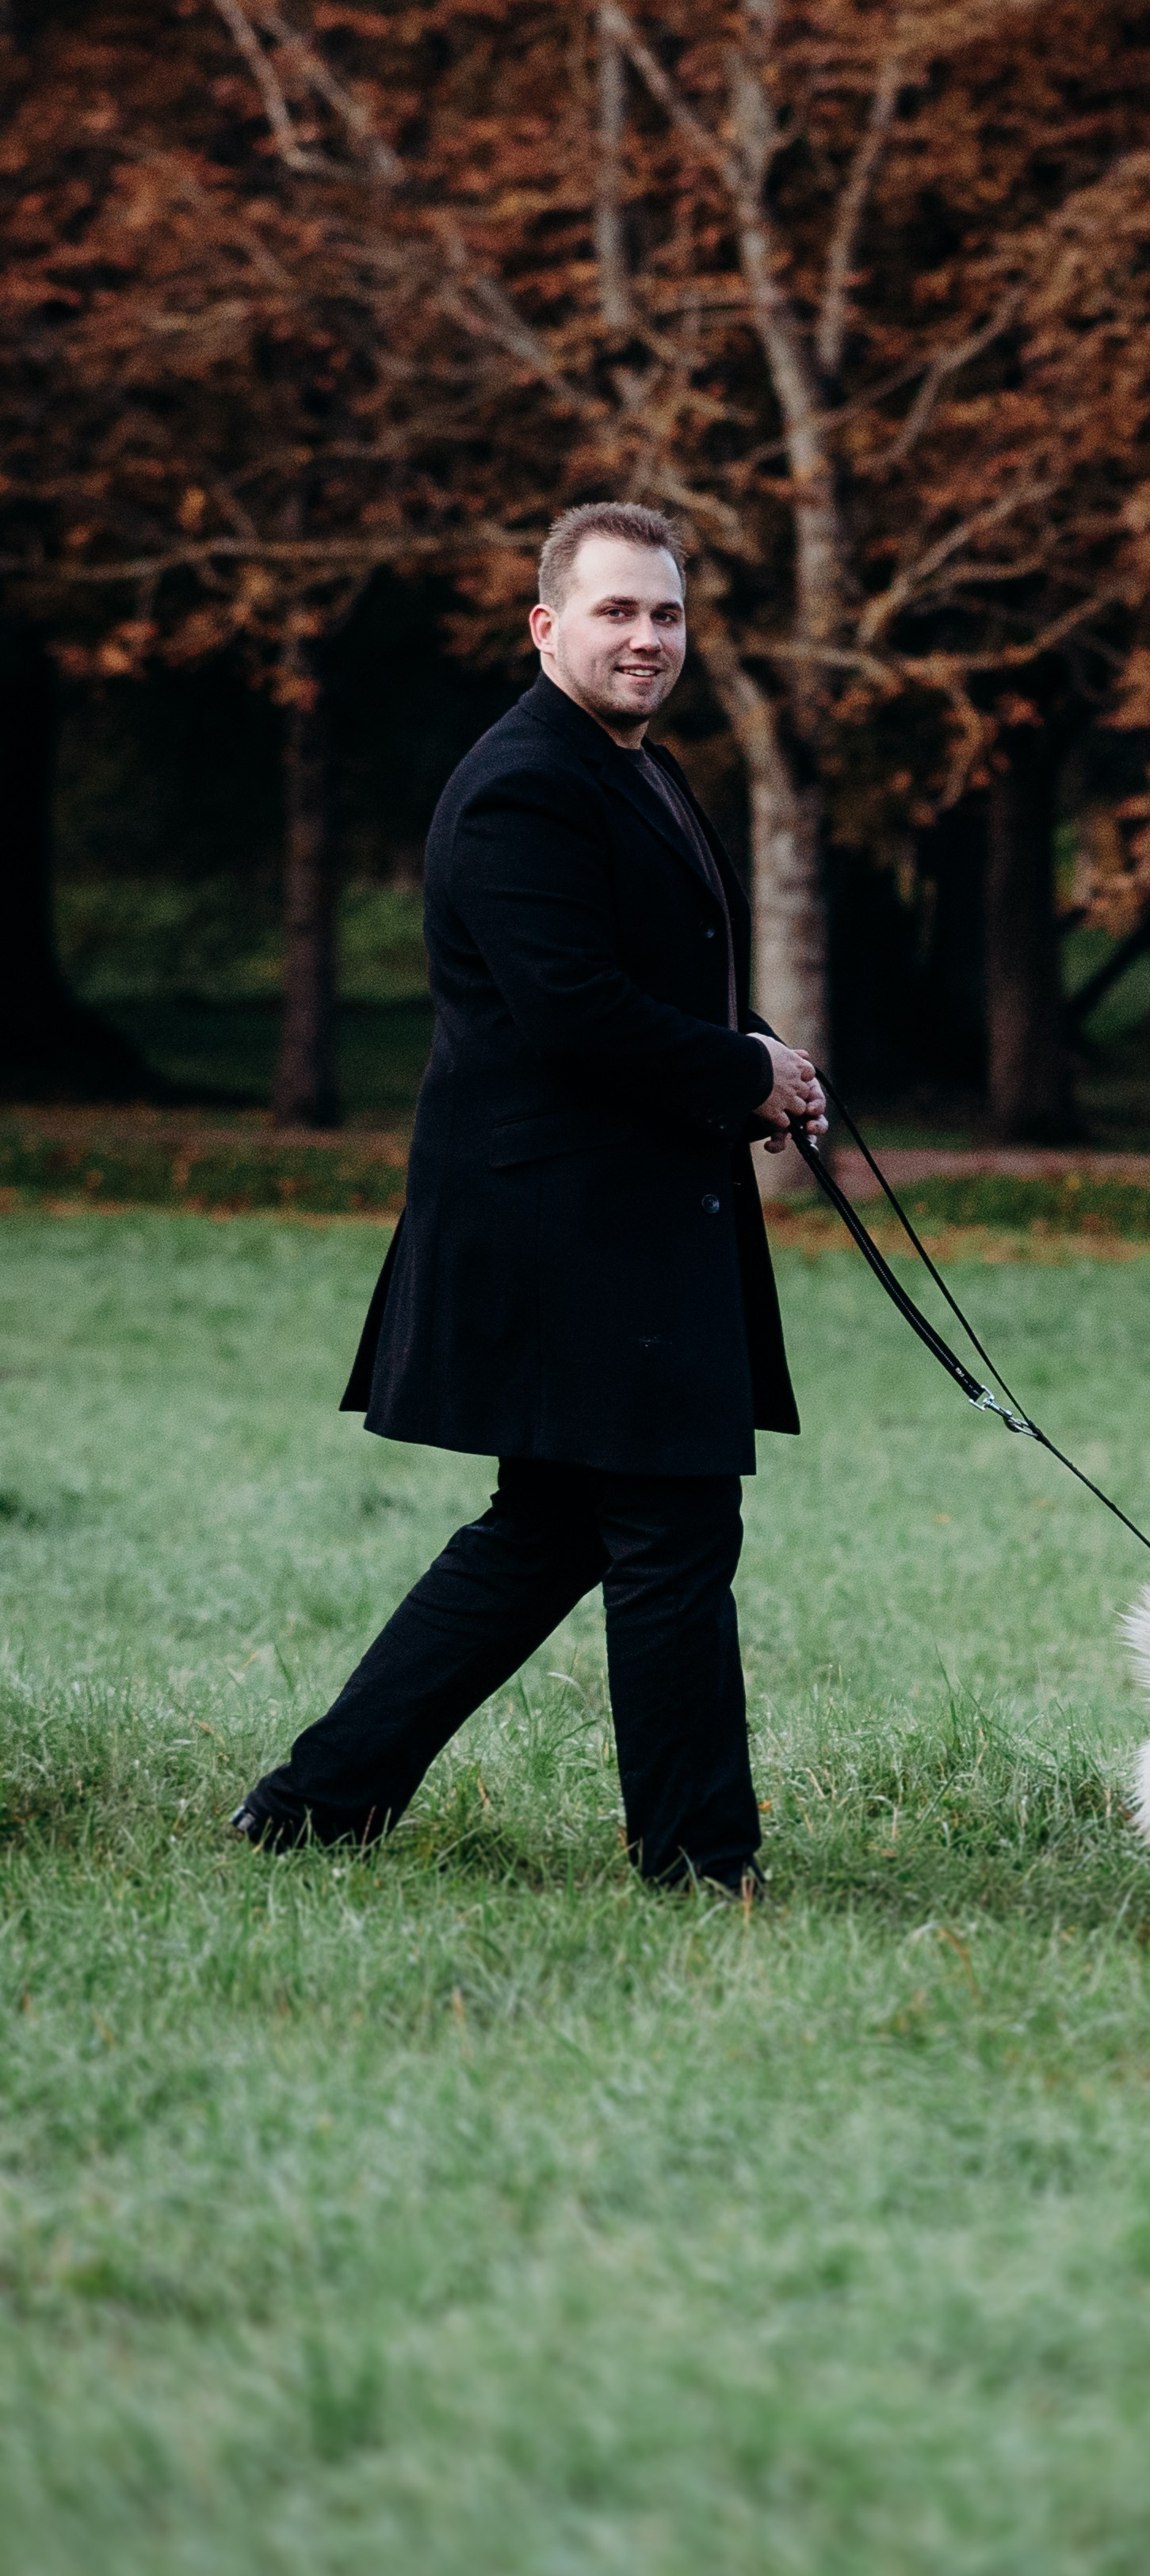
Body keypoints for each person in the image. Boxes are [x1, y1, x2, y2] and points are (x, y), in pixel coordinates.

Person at [231, 500, 825, 1893]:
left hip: (619, 1225)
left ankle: (315, 1807)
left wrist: (755, 1063)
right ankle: (698, 1869)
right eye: (617, 611)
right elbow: (569, 1014)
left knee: (550, 1528)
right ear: (548, 624)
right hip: (566, 1238)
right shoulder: (524, 783)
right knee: (673, 1524)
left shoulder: (635, 769)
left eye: (666, 614)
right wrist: (743, 1069)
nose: (647, 637)